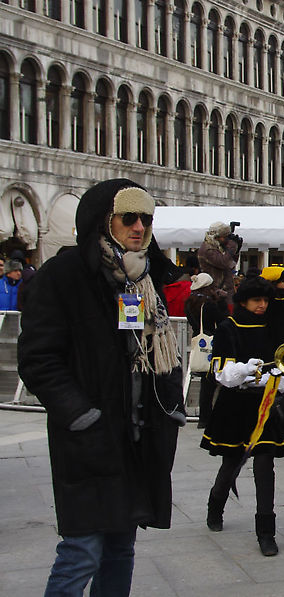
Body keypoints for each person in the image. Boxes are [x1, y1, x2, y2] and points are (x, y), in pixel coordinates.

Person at [18, 178, 185, 595]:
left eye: (145, 218)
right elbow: (38, 359)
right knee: (82, 550)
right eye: (128, 217)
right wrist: (80, 414)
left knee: (120, 548)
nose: (139, 227)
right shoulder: (64, 276)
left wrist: (170, 406)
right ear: (103, 220)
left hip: (136, 437)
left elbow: (157, 352)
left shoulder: (144, 277)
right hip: (90, 438)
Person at [201, 276, 284, 556]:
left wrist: (276, 378)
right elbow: (222, 374)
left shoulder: (274, 325)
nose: (262, 305)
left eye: (265, 300)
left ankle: (266, 532)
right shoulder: (228, 327)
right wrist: (245, 369)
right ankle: (215, 504)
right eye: (257, 300)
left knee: (265, 465)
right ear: (243, 301)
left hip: (265, 403)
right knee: (231, 463)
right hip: (235, 404)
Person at [184, 272, 229, 428]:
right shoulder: (208, 304)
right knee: (211, 382)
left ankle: (205, 417)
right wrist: (222, 302)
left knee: (206, 382)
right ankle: (207, 417)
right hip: (211, 343)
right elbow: (223, 320)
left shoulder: (189, 303)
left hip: (198, 341)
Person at [198, 222, 239, 302]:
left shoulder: (218, 247)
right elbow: (223, 263)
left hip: (224, 290)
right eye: (225, 237)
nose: (227, 240)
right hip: (216, 292)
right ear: (216, 237)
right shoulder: (208, 249)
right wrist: (231, 248)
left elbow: (231, 264)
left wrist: (236, 251)